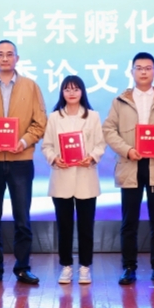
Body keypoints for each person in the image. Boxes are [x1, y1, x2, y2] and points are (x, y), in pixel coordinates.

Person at [0, 40, 48, 285]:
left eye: (9, 54)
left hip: (21, 160)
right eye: (0, 54)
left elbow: (40, 122)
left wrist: (24, 142)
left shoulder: (31, 86)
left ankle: (23, 267)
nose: (5, 58)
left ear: (17, 58)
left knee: (22, 218)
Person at [103, 52, 154, 286]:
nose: (144, 72)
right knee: (129, 222)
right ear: (132, 72)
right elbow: (109, 130)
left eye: (148, 68)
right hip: (131, 165)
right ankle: (129, 268)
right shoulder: (120, 101)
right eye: (139, 68)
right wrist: (127, 150)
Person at [41, 76, 106, 285]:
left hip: (86, 177)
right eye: (67, 89)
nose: (71, 93)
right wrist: (54, 158)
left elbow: (100, 144)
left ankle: (85, 267)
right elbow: (47, 146)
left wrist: (92, 157)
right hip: (62, 178)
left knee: (86, 227)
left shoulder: (93, 116)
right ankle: (66, 266)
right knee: (64, 226)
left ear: (82, 92)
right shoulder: (54, 117)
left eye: (76, 89)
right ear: (62, 92)